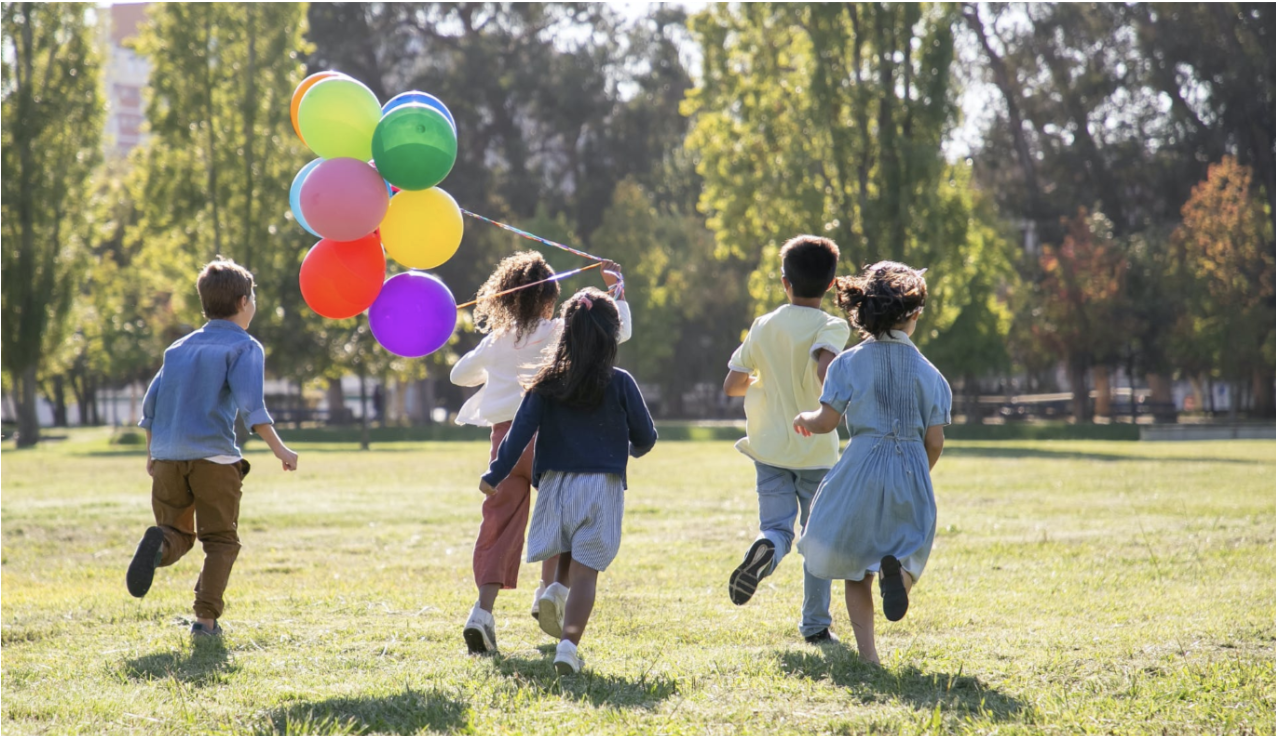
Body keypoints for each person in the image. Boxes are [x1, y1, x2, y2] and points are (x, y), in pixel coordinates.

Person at [452, 252, 630, 654]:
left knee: (498, 526)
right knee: (562, 519)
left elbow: (458, 375)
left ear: (505, 300)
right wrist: (616, 290)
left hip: (505, 445)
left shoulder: (496, 341)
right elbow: (616, 332)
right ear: (550, 297)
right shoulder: (558, 331)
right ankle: (548, 592)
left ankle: (482, 612)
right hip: (550, 440)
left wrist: (495, 358)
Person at [480, 287, 656, 674]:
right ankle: (567, 647)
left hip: (555, 485)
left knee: (564, 548)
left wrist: (495, 473)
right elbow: (646, 436)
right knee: (587, 573)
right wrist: (629, 449)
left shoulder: (546, 382)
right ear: (611, 336)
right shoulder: (621, 381)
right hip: (601, 487)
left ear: (566, 333)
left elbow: (518, 434)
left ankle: (554, 590)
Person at [127, 258, 299, 637]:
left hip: (169, 457)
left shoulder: (178, 348)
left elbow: (150, 406)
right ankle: (205, 621)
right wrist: (281, 450)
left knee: (177, 533)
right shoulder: (244, 347)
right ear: (242, 302)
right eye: (252, 297)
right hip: (214, 459)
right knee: (220, 540)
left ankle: (160, 544)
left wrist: (152, 454)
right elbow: (253, 409)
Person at [793, 261, 951, 666]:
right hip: (911, 467)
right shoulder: (931, 375)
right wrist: (918, 473)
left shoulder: (847, 363)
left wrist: (805, 419)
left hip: (860, 466)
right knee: (911, 548)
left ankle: (869, 658)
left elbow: (826, 422)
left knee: (854, 566)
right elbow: (935, 440)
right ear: (913, 314)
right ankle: (899, 577)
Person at [723, 235, 851, 644]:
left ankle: (765, 548)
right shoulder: (832, 325)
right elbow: (825, 368)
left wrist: (767, 382)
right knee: (817, 538)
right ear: (831, 285)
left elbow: (732, 385)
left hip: (769, 448)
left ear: (785, 283)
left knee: (776, 528)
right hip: (814, 449)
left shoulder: (763, 325)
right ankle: (815, 626)